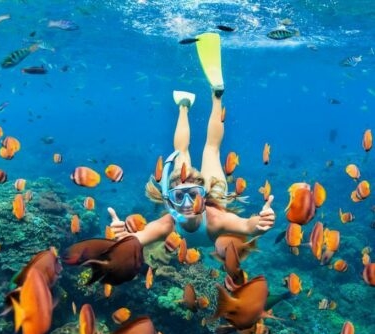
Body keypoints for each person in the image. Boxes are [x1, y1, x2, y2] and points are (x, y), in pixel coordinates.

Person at [108, 33, 275, 248]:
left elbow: (247, 226)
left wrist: (259, 224)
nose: (187, 204)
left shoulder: (216, 219)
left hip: (213, 200)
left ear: (203, 196)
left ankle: (193, 102)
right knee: (211, 150)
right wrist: (123, 238)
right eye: (179, 197)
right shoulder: (167, 224)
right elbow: (137, 240)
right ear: (170, 200)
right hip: (215, 194)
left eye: (193, 195)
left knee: (186, 150)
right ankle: (207, 98)